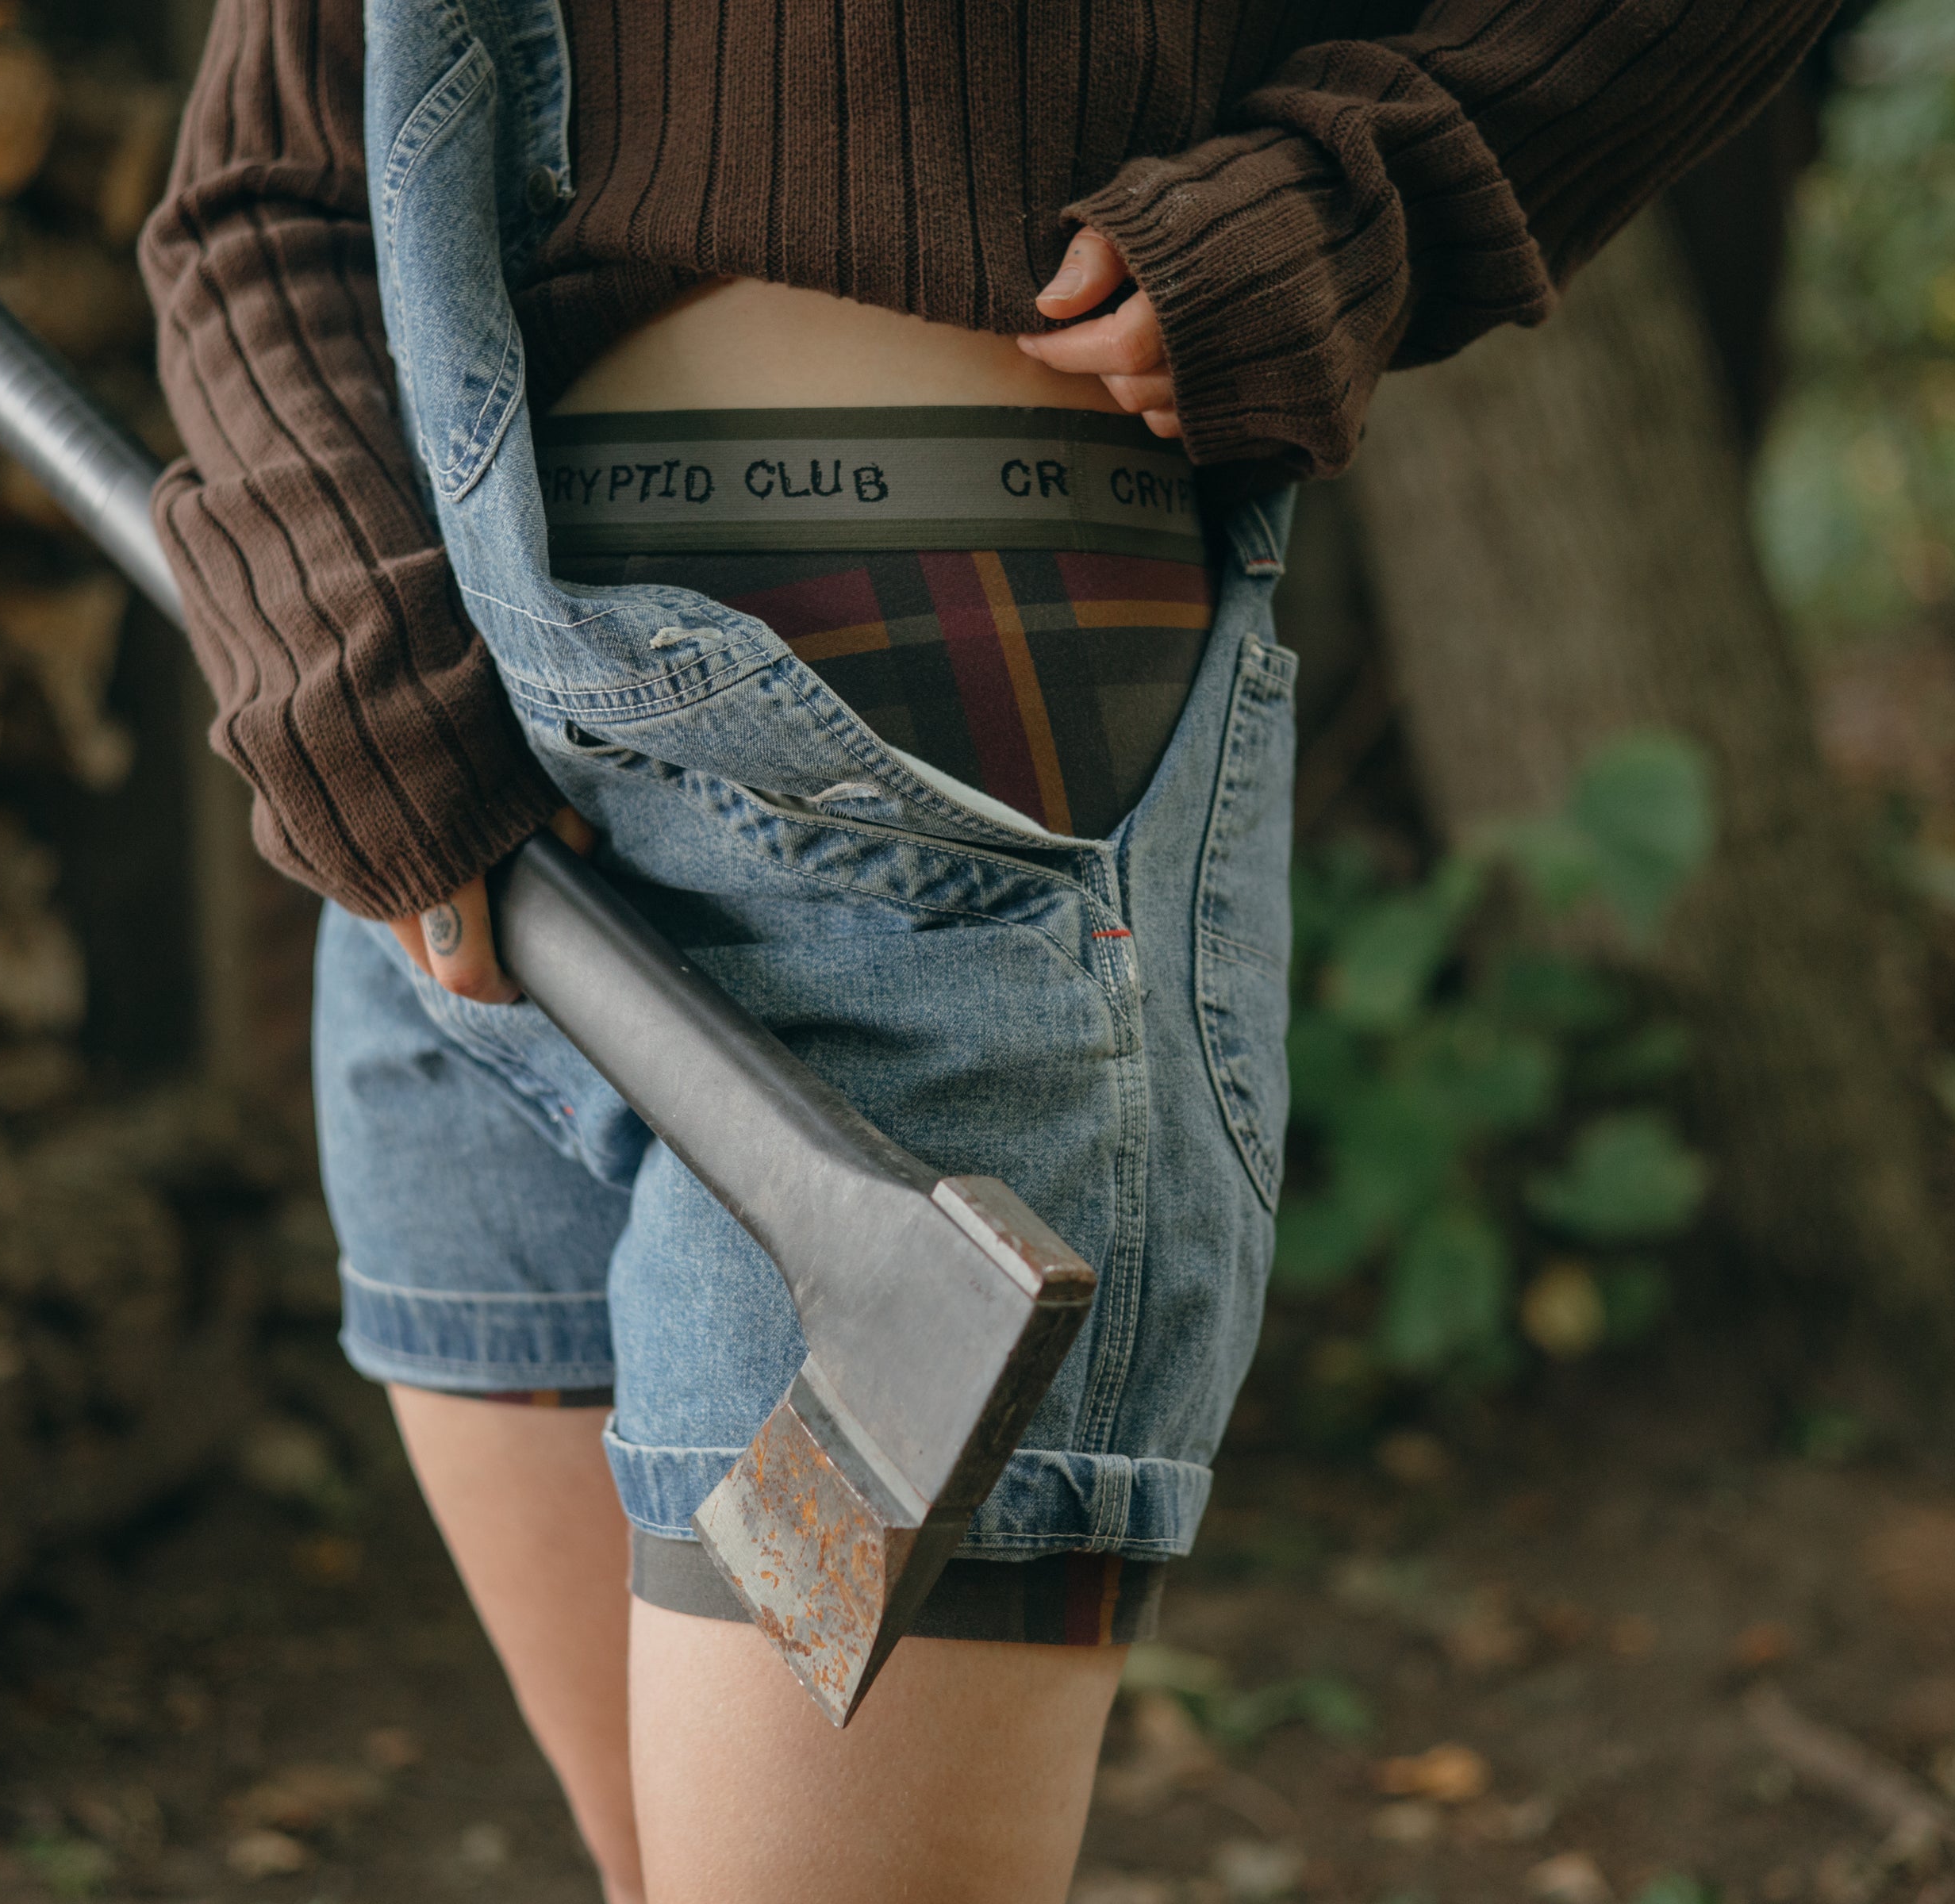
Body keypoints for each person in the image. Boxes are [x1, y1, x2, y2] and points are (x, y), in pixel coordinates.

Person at [139, 3, 1835, 1896]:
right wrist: (336, 654)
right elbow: (261, 194)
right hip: (463, 861)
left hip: (923, 846)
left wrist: (1358, 199)